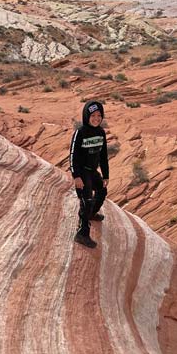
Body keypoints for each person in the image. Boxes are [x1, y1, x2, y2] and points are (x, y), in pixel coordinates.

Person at [69, 100, 109, 248]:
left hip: (93, 171)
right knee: (86, 200)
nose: (96, 118)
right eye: (93, 115)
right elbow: (73, 155)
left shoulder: (101, 132)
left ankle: (91, 213)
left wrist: (105, 175)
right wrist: (76, 176)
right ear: (87, 116)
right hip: (82, 171)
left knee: (102, 191)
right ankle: (82, 233)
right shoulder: (80, 132)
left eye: (99, 115)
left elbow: (103, 155)